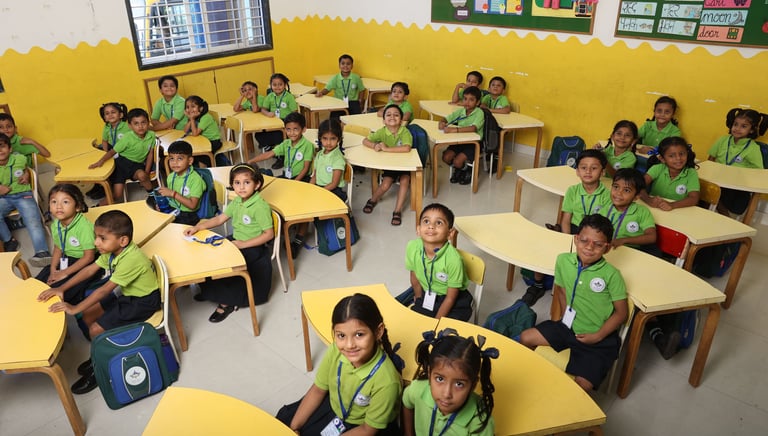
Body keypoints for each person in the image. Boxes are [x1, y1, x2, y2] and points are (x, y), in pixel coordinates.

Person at [37, 210, 161, 394]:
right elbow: (89, 270)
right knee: (88, 314)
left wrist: (74, 308)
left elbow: (104, 290)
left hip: (143, 301)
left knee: (95, 329)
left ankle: (100, 370)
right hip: (129, 294)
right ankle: (100, 354)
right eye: (96, 237)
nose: (96, 243)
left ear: (123, 241)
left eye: (102, 238)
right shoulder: (113, 252)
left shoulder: (131, 258)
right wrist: (61, 288)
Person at [520, 214, 628, 392]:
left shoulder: (612, 275)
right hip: (568, 326)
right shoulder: (563, 260)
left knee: (581, 387)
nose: (589, 247)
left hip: (598, 338)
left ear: (607, 248)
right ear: (576, 239)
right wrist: (564, 319)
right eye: (584, 240)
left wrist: (598, 336)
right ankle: (532, 380)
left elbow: (621, 313)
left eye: (598, 244)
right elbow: (562, 291)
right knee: (526, 338)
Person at [277, 293, 403, 435]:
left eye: (359, 335)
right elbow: (318, 390)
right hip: (333, 407)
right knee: (282, 423)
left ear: (378, 331)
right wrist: (293, 429)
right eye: (341, 336)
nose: (349, 345)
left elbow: (368, 430)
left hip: (361, 427)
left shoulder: (387, 382)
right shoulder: (335, 350)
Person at [184, 164, 273, 322]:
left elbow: (269, 234)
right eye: (237, 183)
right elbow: (220, 219)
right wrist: (198, 227)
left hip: (253, 246)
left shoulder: (260, 206)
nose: (241, 187)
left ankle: (227, 303)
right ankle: (211, 292)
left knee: (227, 266)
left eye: (247, 182)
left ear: (257, 184)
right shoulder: (237, 201)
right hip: (236, 241)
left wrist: (243, 244)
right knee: (209, 254)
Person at [523, 150, 610, 306]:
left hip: (595, 233)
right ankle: (537, 285)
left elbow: (603, 225)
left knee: (585, 256)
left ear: (602, 172)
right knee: (545, 245)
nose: (588, 171)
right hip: (573, 230)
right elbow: (566, 220)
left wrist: (583, 242)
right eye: (583, 167)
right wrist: (567, 239)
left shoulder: (607, 195)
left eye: (594, 168)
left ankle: (576, 288)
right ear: (577, 171)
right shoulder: (572, 191)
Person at [403, 328, 498, 436]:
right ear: (429, 374)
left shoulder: (480, 423)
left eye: (459, 384)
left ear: (473, 385)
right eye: (440, 379)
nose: (446, 394)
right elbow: (407, 403)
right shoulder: (418, 389)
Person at [404, 203, 472, 321]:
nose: (431, 226)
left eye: (439, 223)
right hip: (427, 292)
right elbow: (414, 276)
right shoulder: (412, 247)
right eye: (426, 221)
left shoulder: (454, 260)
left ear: (450, 233)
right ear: (418, 229)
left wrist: (436, 323)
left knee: (445, 329)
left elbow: (451, 298)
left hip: (453, 300)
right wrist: (419, 299)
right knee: (413, 321)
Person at [35, 184, 100, 304]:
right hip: (67, 258)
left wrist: (64, 273)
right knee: (39, 281)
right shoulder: (56, 224)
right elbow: (58, 248)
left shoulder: (84, 227)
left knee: (61, 291)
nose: (58, 206)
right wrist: (53, 270)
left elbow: (89, 257)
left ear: (78, 206)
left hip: (86, 262)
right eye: (54, 202)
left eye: (65, 202)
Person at [291, 119, 347, 256]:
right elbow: (314, 176)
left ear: (339, 139)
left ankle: (299, 239)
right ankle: (296, 230)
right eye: (325, 138)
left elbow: (334, 183)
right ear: (320, 139)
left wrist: (317, 193)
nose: (328, 142)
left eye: (333, 139)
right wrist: (310, 189)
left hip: (333, 192)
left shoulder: (338, 158)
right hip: (319, 188)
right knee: (301, 201)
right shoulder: (320, 154)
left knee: (310, 207)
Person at [0, 133, 51, 266]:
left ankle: (42, 252)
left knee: (32, 220)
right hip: (3, 198)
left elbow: (28, 168)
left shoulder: (20, 158)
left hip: (23, 195)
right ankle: (9, 240)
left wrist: (27, 173)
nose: (0, 150)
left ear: (10, 149)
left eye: (2, 146)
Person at [708, 108, 767, 216]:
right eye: (735, 124)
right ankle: (722, 213)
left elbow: (759, 171)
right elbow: (710, 159)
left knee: (735, 203)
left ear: (752, 130)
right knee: (704, 190)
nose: (737, 128)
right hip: (718, 181)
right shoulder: (722, 140)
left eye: (743, 126)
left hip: (736, 185)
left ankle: (724, 214)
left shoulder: (753, 148)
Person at [89, 108, 156, 204]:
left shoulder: (151, 135)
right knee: (117, 195)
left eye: (143, 122)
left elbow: (150, 154)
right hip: (121, 165)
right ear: (130, 126)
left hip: (137, 165)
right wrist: (101, 161)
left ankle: (153, 196)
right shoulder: (127, 138)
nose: (140, 126)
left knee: (142, 175)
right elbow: (112, 152)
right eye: (136, 123)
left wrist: (147, 172)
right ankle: (98, 206)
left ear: (148, 123)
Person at [362, 104, 413, 226]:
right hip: (390, 165)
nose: (392, 117)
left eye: (396, 115)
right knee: (385, 184)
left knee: (405, 181)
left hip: (405, 164)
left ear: (401, 120)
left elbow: (407, 148)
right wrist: (375, 146)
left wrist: (387, 149)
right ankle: (373, 200)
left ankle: (397, 210)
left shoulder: (405, 131)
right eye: (388, 115)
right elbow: (365, 140)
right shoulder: (382, 132)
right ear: (384, 120)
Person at [602, 168, 657, 252]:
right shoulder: (604, 206)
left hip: (633, 251)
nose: (619, 193)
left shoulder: (642, 211)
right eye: (616, 187)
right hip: (607, 249)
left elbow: (651, 237)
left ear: (636, 197)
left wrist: (623, 240)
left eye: (626, 190)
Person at [640, 136, 700, 211]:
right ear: (662, 159)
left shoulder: (691, 173)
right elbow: (638, 186)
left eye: (681, 154)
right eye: (671, 156)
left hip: (678, 211)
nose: (678, 158)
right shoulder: (657, 168)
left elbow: (694, 198)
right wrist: (649, 200)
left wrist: (672, 205)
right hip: (654, 209)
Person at [248, 112, 313, 181]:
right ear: (285, 129)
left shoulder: (307, 145)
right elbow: (269, 154)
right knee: (264, 175)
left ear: (303, 129)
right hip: (287, 176)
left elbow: (306, 168)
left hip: (301, 178)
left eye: (295, 129)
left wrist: (294, 182)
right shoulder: (286, 143)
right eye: (288, 129)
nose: (292, 133)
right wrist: (251, 161)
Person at [440, 86, 485, 186]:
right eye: (465, 99)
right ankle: (460, 169)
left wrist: (454, 130)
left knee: (457, 161)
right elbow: (446, 118)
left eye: (471, 100)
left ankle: (467, 170)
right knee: (446, 157)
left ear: (477, 102)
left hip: (473, 143)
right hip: (459, 141)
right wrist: (442, 122)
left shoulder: (479, 112)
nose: (467, 102)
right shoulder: (461, 111)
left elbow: (473, 128)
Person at [87, 102, 131, 200]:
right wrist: (105, 152)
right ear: (104, 118)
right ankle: (98, 185)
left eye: (113, 112)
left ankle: (108, 187)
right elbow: (104, 141)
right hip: (112, 150)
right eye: (107, 113)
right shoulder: (107, 127)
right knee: (98, 157)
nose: (110, 115)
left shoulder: (127, 126)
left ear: (121, 115)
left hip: (124, 153)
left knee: (115, 166)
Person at [154, 140, 205, 225]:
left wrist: (173, 194)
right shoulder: (171, 176)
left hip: (189, 214)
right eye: (171, 158)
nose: (175, 162)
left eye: (180, 158)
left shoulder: (196, 179)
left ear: (190, 161)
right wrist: (163, 205)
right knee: (156, 219)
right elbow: (171, 198)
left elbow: (192, 205)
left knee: (165, 226)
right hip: (174, 209)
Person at [259, 73, 298, 167]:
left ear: (285, 85)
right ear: (271, 85)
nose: (277, 87)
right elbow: (263, 109)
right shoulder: (270, 96)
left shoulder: (289, 97)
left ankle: (281, 157)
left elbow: (295, 112)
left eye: (280, 84)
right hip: (273, 121)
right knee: (259, 134)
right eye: (274, 85)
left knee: (278, 136)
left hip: (286, 121)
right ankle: (271, 148)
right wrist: (267, 113)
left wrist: (290, 123)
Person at [181, 95, 222, 167]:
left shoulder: (206, 117)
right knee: (188, 150)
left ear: (201, 108)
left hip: (213, 141)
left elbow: (195, 133)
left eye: (193, 106)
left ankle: (203, 170)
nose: (190, 110)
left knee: (201, 155)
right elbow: (185, 130)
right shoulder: (194, 117)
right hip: (202, 140)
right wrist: (190, 119)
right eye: (187, 107)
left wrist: (192, 119)